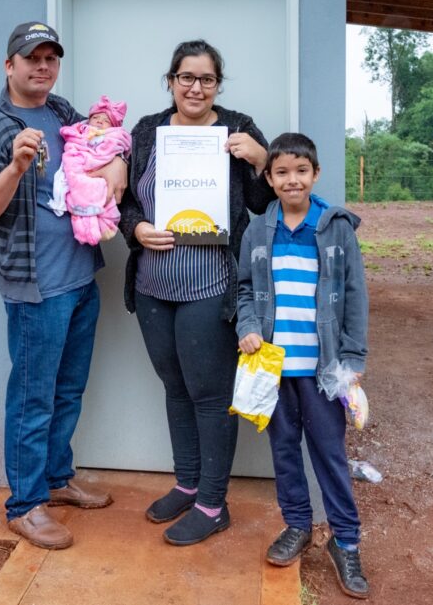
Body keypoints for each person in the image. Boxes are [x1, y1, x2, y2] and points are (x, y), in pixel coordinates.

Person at [0, 21, 127, 550]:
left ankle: (56, 480)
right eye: (32, 58)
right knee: (33, 398)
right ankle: (24, 505)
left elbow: (101, 143)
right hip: (35, 288)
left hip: (80, 277)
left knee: (68, 390)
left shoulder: (60, 111)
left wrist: (118, 161)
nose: (42, 67)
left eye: (51, 58)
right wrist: (15, 166)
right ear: (9, 65)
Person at [117, 39, 274, 546]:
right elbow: (122, 201)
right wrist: (136, 230)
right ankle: (187, 483)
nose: (195, 87)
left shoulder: (238, 127)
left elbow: (260, 201)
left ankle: (213, 503)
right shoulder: (146, 131)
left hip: (210, 285)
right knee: (175, 387)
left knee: (209, 395)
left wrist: (260, 159)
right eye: (186, 77)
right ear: (170, 81)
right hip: (153, 287)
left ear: (217, 85)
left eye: (206, 79)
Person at [236, 132, 370, 598]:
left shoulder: (334, 228)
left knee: (330, 455)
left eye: (301, 171)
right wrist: (247, 326)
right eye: (281, 172)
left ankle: (345, 540)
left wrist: (351, 359)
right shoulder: (258, 230)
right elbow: (244, 290)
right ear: (269, 179)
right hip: (274, 370)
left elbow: (354, 295)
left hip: (322, 370)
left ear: (315, 174)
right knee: (285, 451)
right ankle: (296, 525)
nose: (292, 180)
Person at [49, 95, 132, 245]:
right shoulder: (80, 129)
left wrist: (118, 158)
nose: (100, 121)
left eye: (106, 120)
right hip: (80, 167)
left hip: (101, 171)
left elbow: (120, 144)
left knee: (106, 198)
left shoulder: (114, 134)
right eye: (96, 117)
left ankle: (106, 224)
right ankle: (84, 230)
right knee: (78, 195)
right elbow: (73, 143)